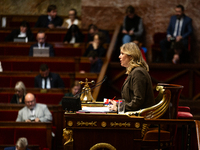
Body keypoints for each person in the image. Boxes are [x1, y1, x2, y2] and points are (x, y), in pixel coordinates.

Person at [110, 42, 155, 112]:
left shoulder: (138, 72)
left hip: (142, 119)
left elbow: (138, 100)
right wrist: (118, 104)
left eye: (122, 54)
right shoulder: (134, 72)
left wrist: (120, 107)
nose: (119, 56)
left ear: (131, 56)